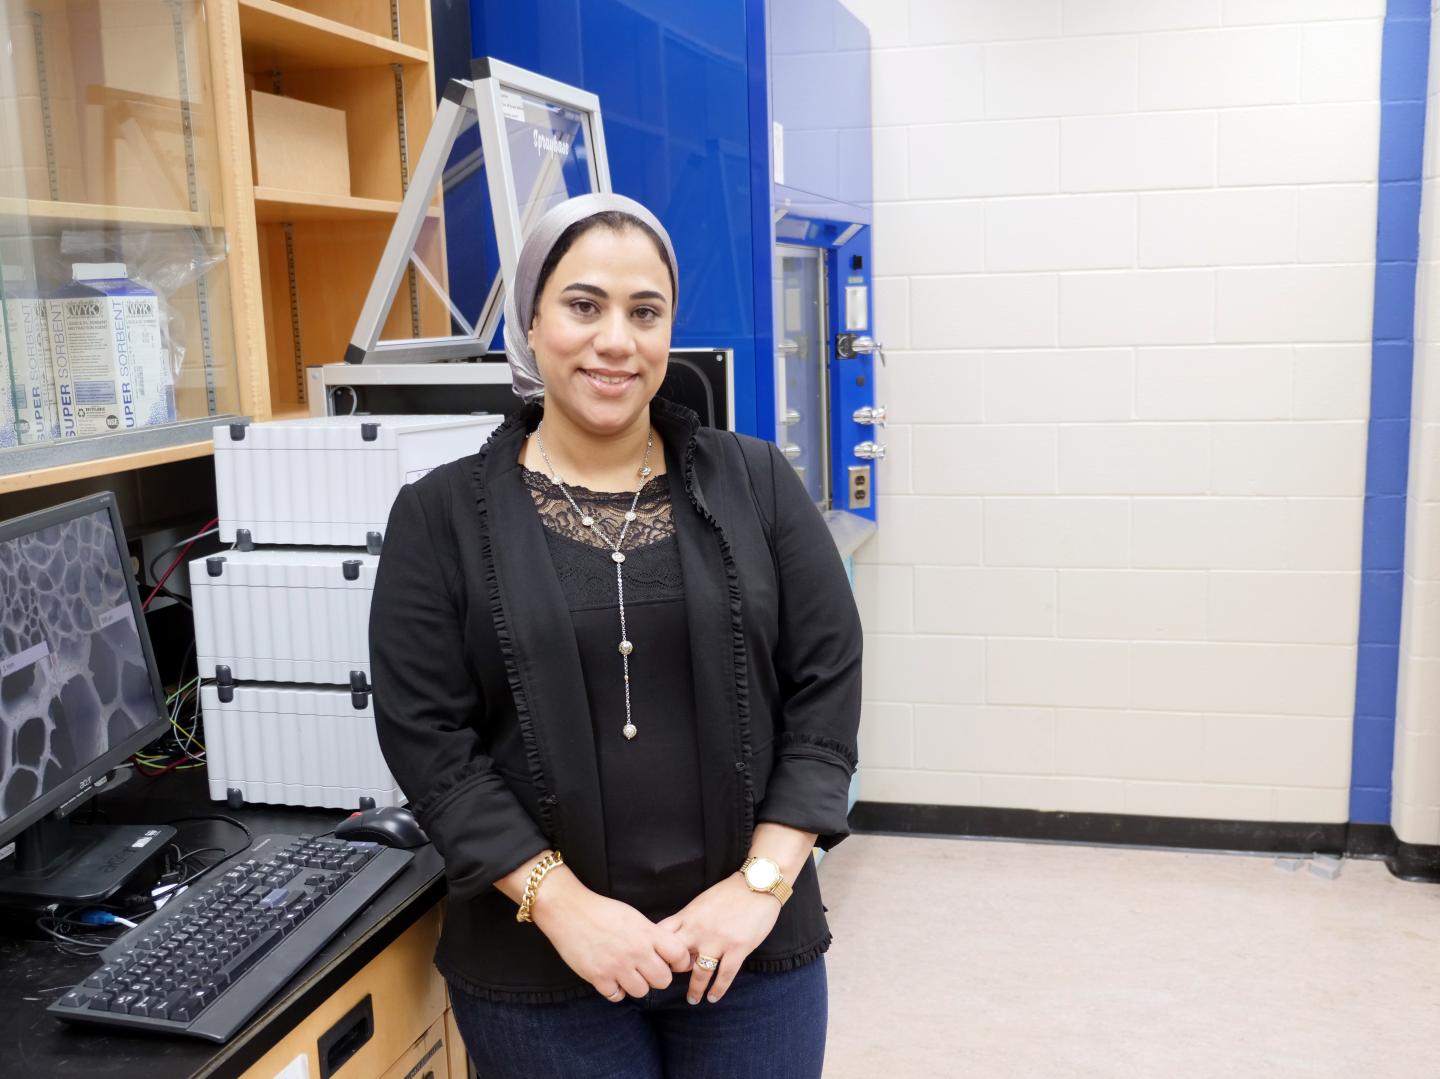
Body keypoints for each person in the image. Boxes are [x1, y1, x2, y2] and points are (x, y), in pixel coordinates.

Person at [370, 192, 861, 1079]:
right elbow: (431, 743)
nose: (616, 341)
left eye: (646, 313)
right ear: (531, 319)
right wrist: (561, 906)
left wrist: (759, 887)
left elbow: (828, 691)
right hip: (540, 964)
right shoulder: (440, 516)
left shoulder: (755, 482)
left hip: (746, 953)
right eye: (583, 305)